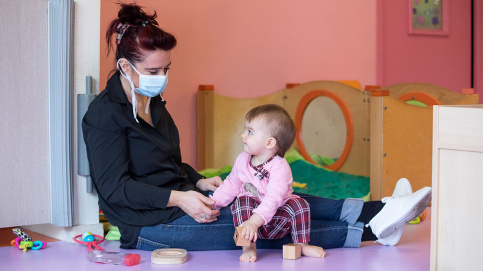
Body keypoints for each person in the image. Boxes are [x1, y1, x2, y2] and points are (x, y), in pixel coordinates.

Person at [82, 2, 432, 253]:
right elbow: (114, 188)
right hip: (150, 225)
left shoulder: (154, 106)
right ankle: (373, 230)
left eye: (167, 69)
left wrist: (199, 181)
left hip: (189, 200)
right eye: (155, 72)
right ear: (126, 68)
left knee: (276, 196)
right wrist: (181, 197)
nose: (164, 79)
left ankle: (379, 209)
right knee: (265, 225)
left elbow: (168, 165)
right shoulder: (104, 116)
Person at [210, 104, 326, 262]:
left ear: (270, 143)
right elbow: (231, 184)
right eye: (245, 130)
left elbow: (274, 198)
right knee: (242, 201)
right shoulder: (243, 159)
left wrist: (254, 221)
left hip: (277, 219)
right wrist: (212, 204)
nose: (243, 136)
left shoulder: (280, 167)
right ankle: (248, 246)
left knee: (300, 204)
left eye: (250, 132)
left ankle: (302, 244)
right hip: (250, 224)